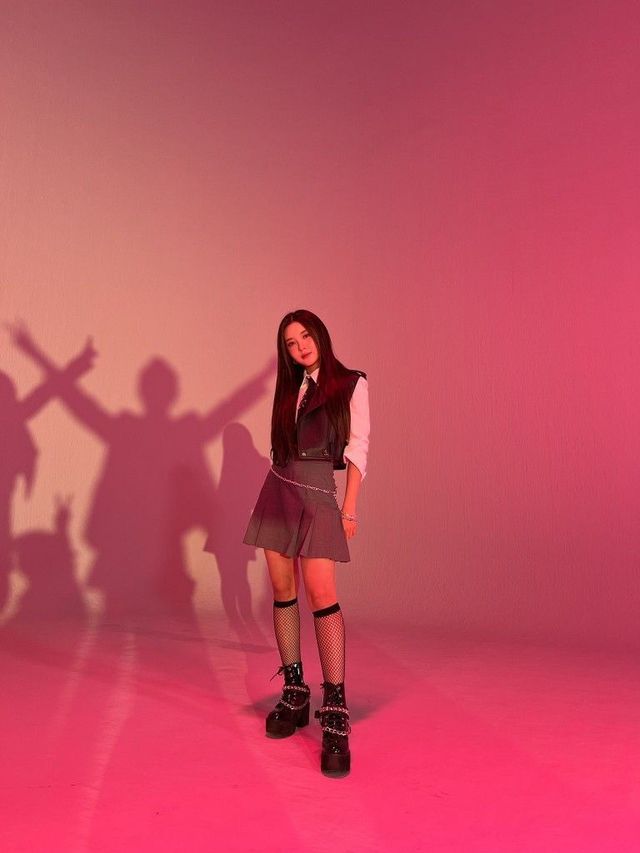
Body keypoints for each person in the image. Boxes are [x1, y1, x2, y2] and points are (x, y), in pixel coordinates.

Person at [244, 309, 369, 777]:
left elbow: (358, 448)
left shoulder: (351, 383)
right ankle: (295, 691)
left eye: (305, 337)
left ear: (320, 333)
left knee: (321, 594)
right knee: (282, 589)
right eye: (291, 344)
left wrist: (349, 508)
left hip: (317, 492)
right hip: (278, 487)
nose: (300, 348)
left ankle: (334, 708)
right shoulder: (289, 386)